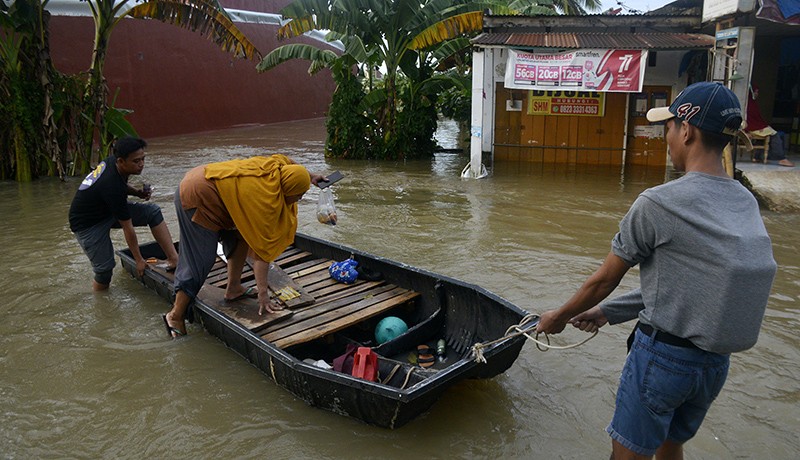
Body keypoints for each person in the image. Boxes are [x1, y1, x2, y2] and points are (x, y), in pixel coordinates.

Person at [536, 82, 777, 459]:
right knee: (670, 445)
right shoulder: (743, 201)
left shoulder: (658, 202)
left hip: (663, 360)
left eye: (667, 128)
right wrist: (607, 313)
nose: (665, 137)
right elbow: (694, 285)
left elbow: (603, 280)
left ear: (687, 130)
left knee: (627, 455)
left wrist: (558, 316)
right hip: (713, 366)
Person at [161, 154, 326, 338]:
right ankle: (175, 315)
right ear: (286, 189)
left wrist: (310, 176)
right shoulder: (265, 201)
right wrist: (264, 295)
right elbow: (261, 253)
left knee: (241, 235)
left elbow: (291, 164)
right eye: (297, 195)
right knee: (201, 259)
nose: (298, 200)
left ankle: (233, 288)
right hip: (198, 196)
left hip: (221, 190)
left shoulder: (279, 167)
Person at [69, 136, 179, 291]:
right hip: (87, 224)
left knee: (152, 212)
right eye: (136, 161)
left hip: (105, 209)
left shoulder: (112, 163)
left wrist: (137, 193)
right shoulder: (112, 186)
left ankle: (174, 259)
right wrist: (139, 260)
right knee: (104, 270)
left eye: (143, 159)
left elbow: (121, 184)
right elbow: (128, 228)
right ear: (121, 161)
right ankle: (101, 301)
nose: (141, 165)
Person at [746, 84, 794, 166]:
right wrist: (747, 131)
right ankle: (781, 158)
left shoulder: (751, 103)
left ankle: (757, 156)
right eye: (755, 92)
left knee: (766, 133)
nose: (757, 94)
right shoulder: (748, 104)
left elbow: (757, 118)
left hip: (755, 126)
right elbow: (747, 118)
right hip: (752, 127)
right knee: (775, 134)